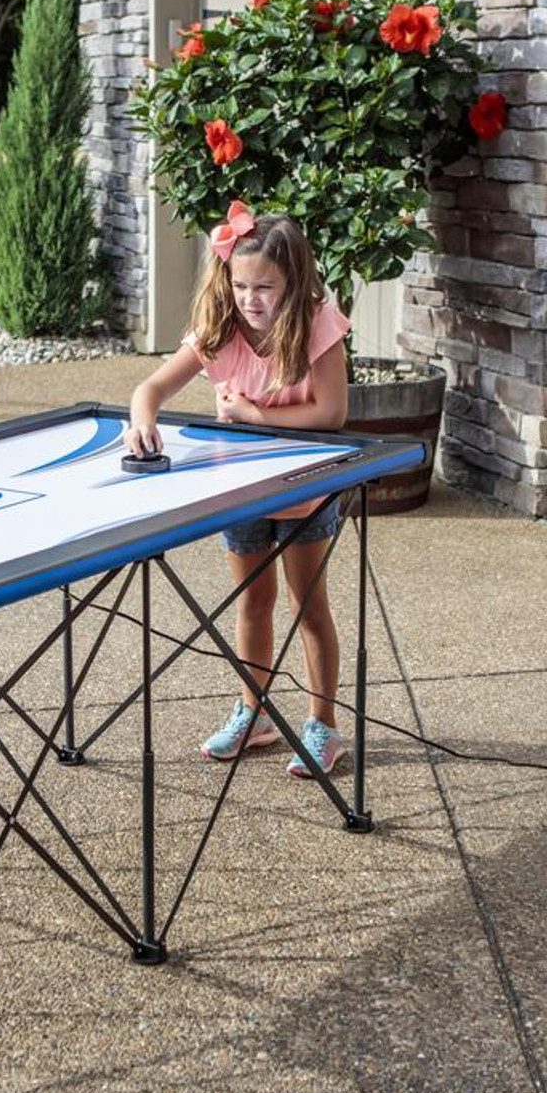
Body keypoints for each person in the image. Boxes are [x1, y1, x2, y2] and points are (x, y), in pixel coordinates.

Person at [123, 202, 351, 777]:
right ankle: (255, 715)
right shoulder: (219, 329)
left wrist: (250, 412)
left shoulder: (319, 325)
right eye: (241, 284)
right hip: (241, 487)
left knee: (308, 604)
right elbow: (152, 386)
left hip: (303, 484)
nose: (251, 299)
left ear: (293, 282)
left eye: (265, 287)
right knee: (253, 601)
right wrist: (142, 417)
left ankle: (322, 726)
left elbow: (331, 413)